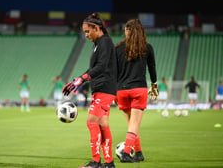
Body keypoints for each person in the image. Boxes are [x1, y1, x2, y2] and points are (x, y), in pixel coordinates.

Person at [62, 13, 117, 168]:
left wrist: (83, 78)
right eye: (84, 32)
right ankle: (109, 163)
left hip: (105, 88)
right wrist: (78, 79)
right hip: (101, 88)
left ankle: (95, 163)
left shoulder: (104, 42)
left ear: (96, 28)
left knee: (91, 122)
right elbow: (93, 68)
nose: (86, 35)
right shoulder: (98, 44)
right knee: (102, 125)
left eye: (87, 31)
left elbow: (102, 67)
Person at [115, 19, 158, 163]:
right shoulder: (147, 48)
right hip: (138, 90)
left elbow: (113, 72)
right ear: (140, 32)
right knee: (134, 124)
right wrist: (154, 86)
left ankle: (138, 153)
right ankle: (126, 153)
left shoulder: (117, 49)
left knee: (131, 124)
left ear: (126, 31)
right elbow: (152, 69)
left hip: (121, 91)